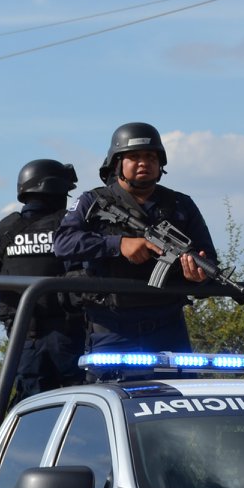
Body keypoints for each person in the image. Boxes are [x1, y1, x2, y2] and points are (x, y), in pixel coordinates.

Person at [54, 121, 217, 354]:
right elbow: (63, 243)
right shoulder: (93, 201)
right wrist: (118, 245)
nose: (144, 163)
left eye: (151, 157)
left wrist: (198, 274)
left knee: (177, 389)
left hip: (168, 326)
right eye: (135, 156)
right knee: (111, 389)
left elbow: (208, 257)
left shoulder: (181, 204)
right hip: (112, 327)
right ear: (117, 163)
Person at [0, 159, 86, 398]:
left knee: (30, 405)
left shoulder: (4, 231)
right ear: (58, 190)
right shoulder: (71, 228)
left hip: (23, 338)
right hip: (70, 335)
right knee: (80, 400)